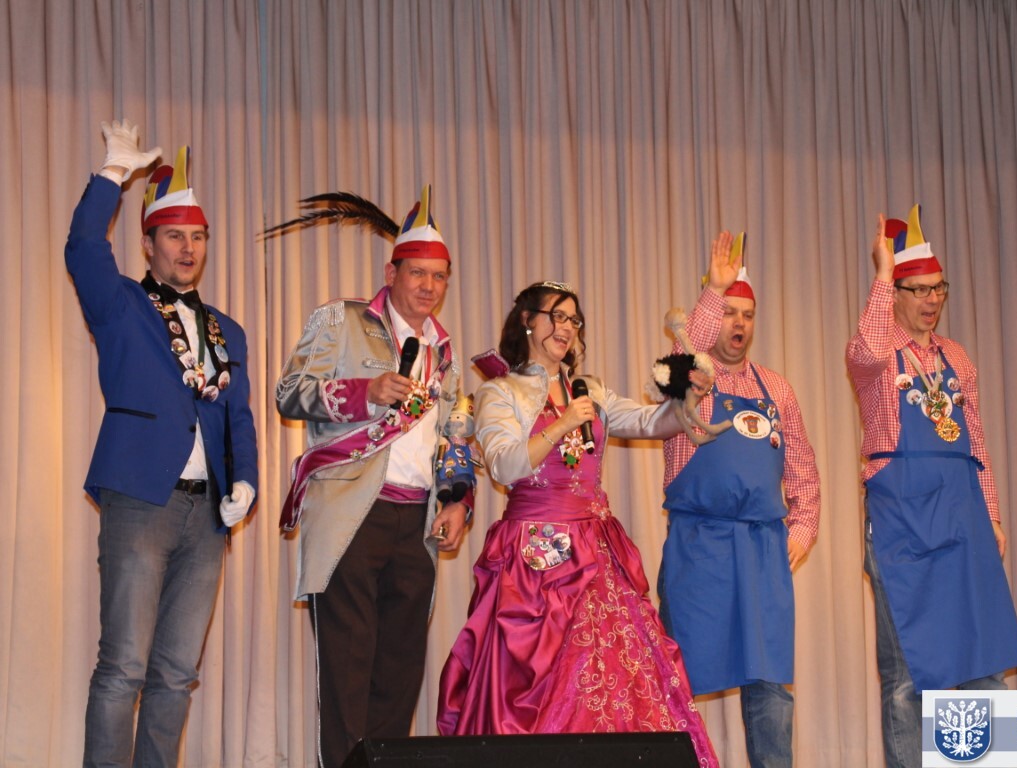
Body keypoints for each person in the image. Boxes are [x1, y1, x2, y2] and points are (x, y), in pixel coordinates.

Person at [437, 281, 718, 767]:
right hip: (533, 560)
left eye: (573, 320)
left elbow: (650, 423)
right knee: (535, 679)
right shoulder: (500, 392)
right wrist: (563, 423)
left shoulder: (589, 389)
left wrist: (685, 398)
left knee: (613, 673)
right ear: (528, 320)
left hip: (595, 548)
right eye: (557, 316)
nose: (566, 328)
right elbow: (504, 465)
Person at [66, 120, 259, 768]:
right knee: (123, 666)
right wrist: (112, 175)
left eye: (197, 236)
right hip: (140, 500)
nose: (188, 247)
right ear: (147, 243)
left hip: (207, 517)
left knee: (176, 673)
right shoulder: (123, 306)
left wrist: (246, 479)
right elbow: (83, 246)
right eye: (174, 235)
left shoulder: (228, 330)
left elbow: (239, 418)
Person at [275, 185, 470, 768]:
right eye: (418, 273)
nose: (429, 286)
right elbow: (290, 393)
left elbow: (454, 436)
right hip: (352, 511)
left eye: (439, 277)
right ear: (391, 273)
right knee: (348, 667)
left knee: (400, 671)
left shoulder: (444, 352)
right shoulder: (342, 320)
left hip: (417, 521)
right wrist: (366, 392)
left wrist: (458, 499)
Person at [846, 206, 1017, 767]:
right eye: (919, 289)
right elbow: (864, 350)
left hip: (963, 517)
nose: (932, 299)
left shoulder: (957, 358)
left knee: (982, 662)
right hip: (902, 523)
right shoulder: (880, 358)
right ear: (896, 294)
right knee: (908, 676)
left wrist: (992, 514)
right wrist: (882, 274)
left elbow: (976, 442)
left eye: (938, 288)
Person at [658, 231, 821, 768]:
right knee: (680, 683)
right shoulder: (689, 381)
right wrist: (714, 290)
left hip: (762, 550)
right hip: (699, 548)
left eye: (747, 315)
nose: (739, 324)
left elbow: (803, 471)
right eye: (729, 313)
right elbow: (687, 353)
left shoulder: (778, 388)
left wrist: (802, 530)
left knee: (770, 685)